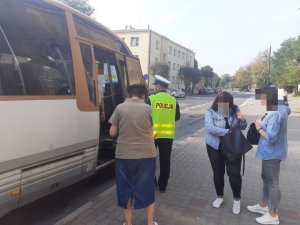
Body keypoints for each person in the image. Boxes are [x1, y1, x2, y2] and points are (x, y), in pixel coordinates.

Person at [109, 84, 158, 225]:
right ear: (143, 96)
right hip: (146, 156)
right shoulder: (148, 108)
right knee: (147, 189)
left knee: (126, 189)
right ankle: (150, 223)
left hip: (124, 156)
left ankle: (128, 223)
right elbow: (151, 132)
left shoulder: (120, 108)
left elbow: (112, 132)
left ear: (129, 94)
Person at [247, 87, 291, 225]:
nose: (261, 101)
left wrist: (259, 127)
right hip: (270, 152)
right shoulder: (280, 108)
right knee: (266, 178)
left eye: (262, 97)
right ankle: (263, 205)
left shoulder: (275, 112)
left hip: (272, 153)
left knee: (272, 183)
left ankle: (273, 215)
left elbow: (271, 137)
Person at [204, 91, 247, 214]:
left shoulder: (235, 110)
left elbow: (243, 127)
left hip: (232, 146)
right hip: (214, 146)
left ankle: (237, 200)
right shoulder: (211, 111)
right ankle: (219, 196)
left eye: (228, 104)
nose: (225, 106)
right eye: (223, 103)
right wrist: (228, 132)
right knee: (218, 173)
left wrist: (242, 120)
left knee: (234, 174)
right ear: (218, 102)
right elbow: (210, 128)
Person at [146, 75, 180, 193]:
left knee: (150, 160)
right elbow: (177, 117)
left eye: (155, 84)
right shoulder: (173, 100)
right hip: (168, 136)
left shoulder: (151, 99)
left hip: (153, 136)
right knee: (165, 162)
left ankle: (152, 181)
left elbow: (145, 116)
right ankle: (163, 186)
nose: (154, 86)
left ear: (159, 86)